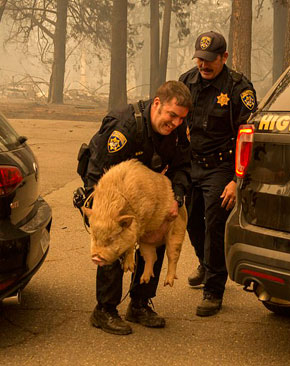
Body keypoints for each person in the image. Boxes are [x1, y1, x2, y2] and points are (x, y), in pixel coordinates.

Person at [85, 81, 192, 335]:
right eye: (172, 115)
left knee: (161, 226)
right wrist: (95, 205)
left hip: (146, 192)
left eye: (181, 118)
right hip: (109, 187)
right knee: (113, 240)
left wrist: (176, 198)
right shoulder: (125, 125)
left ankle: (140, 304)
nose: (176, 123)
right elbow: (98, 165)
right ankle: (105, 309)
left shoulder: (178, 131)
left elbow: (183, 167)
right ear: (157, 104)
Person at [179, 31, 257, 317]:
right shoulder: (186, 82)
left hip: (221, 168)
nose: (203, 65)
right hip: (191, 164)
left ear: (224, 57)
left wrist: (237, 181)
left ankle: (213, 289)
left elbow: (247, 138)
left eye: (210, 60)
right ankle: (205, 262)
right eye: (199, 59)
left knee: (214, 225)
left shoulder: (239, 88)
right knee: (191, 221)